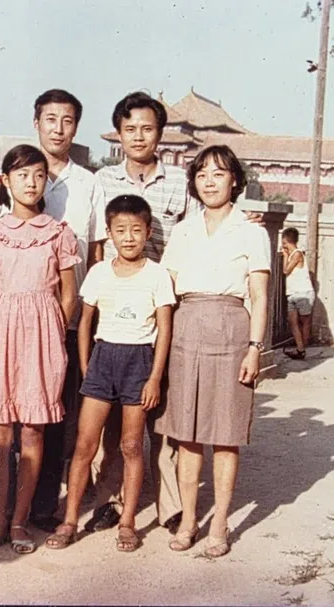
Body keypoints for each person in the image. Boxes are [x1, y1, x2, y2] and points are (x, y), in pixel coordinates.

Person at [0, 89, 105, 533]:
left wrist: (61, 324)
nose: (59, 128)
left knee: (41, 423)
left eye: (68, 120)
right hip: (2, 334)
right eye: (51, 119)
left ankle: (29, 516)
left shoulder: (83, 191)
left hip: (50, 330)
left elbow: (82, 272)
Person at [154, 144, 270, 558]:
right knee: (185, 434)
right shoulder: (183, 229)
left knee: (224, 436)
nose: (209, 181)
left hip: (231, 328)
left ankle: (219, 522)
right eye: (202, 174)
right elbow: (165, 285)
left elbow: (259, 294)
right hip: (186, 327)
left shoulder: (253, 232)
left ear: (234, 180)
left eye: (218, 174)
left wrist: (255, 349)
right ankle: (188, 520)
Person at [45, 194, 175, 553]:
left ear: (148, 232)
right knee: (86, 445)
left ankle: (128, 522)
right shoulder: (99, 272)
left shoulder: (157, 275)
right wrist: (88, 367)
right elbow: (85, 322)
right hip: (103, 360)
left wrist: (154, 378)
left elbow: (164, 329)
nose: (129, 237)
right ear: (110, 232)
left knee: (132, 445)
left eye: (136, 230)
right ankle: (70, 520)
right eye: (121, 230)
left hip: (139, 362)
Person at [85, 91, 189, 534]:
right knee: (113, 417)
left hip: (163, 303)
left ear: (160, 133)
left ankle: (170, 505)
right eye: (130, 129)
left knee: (160, 409)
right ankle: (109, 499)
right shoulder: (103, 181)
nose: (139, 136)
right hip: (117, 310)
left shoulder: (182, 181)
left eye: (147, 128)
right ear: (119, 134)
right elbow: (95, 245)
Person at [0, 144, 80, 555]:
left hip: (42, 338)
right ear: (5, 181)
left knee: (33, 429)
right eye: (21, 175)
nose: (31, 183)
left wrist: (50, 327)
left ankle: (20, 521)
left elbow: (70, 295)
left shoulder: (58, 233)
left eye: (38, 176)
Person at [281, 227, 314, 360]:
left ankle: (303, 348)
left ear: (285, 240)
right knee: (293, 321)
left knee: (304, 322)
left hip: (303, 292)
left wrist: (285, 256)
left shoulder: (297, 254)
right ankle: (300, 348)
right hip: (293, 293)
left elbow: (285, 270)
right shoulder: (293, 254)